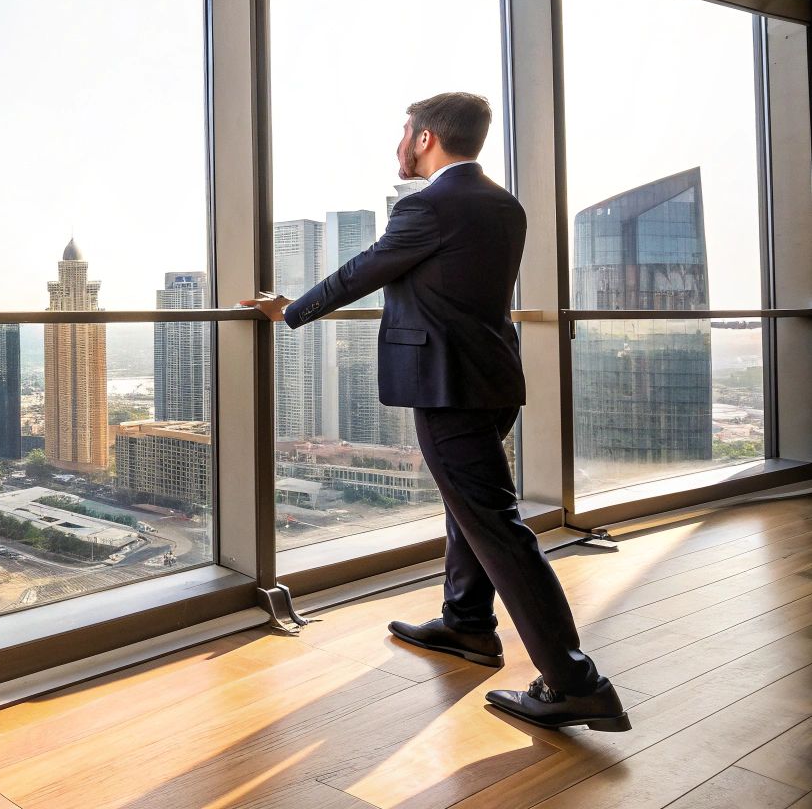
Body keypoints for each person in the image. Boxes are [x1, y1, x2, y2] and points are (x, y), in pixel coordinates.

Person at [241, 92, 628, 732]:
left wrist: (292, 310)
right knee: (470, 508)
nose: (398, 144)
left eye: (404, 133)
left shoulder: (427, 205)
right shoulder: (504, 204)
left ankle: (574, 681)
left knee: (496, 524)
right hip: (493, 377)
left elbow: (366, 270)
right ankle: (467, 624)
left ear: (425, 139)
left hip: (449, 387)